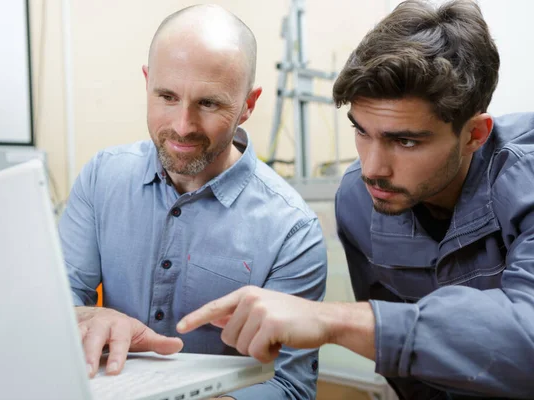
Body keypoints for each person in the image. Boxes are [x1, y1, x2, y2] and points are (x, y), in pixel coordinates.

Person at [177, 0, 534, 398]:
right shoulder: (358, 198)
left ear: (474, 135)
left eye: (405, 141)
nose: (372, 168)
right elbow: (410, 376)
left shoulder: (525, 181)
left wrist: (334, 321)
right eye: (362, 131)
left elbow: (527, 338)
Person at [58, 4, 327, 400]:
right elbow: (61, 296)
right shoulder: (101, 178)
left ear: (248, 105)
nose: (183, 126)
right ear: (147, 82)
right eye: (167, 96)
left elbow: (290, 385)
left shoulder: (292, 231)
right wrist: (88, 316)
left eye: (209, 103)